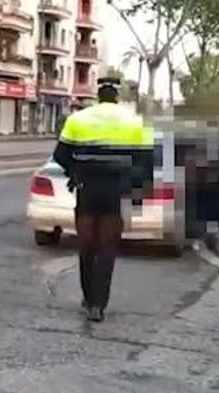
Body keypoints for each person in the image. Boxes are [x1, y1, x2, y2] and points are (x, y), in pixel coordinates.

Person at [52, 77, 152, 322]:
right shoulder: (135, 121)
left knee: (86, 246)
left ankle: (87, 297)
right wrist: (134, 187)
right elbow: (147, 162)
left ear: (98, 95)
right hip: (116, 191)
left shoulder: (78, 119)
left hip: (87, 188)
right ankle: (99, 304)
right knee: (107, 248)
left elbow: (60, 155)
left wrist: (75, 174)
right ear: (117, 95)